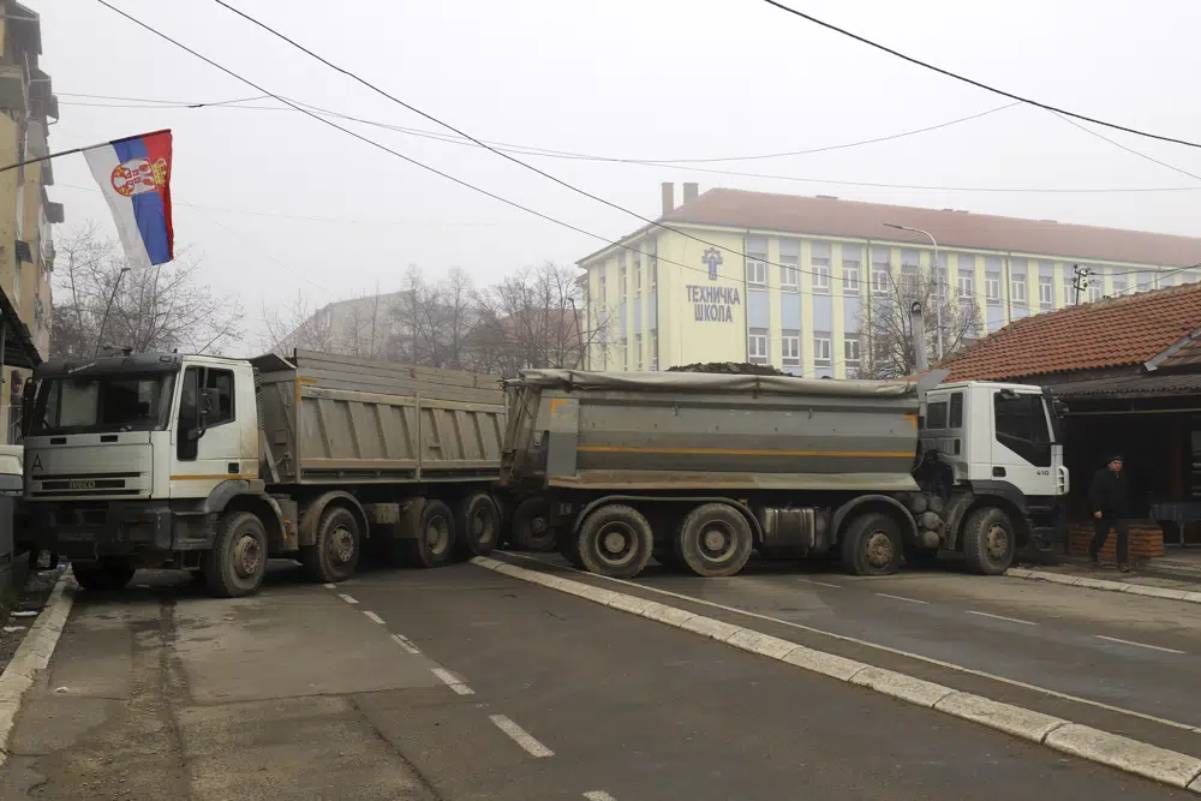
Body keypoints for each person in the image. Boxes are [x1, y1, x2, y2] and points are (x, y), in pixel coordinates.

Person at [1088, 454, 1130, 571]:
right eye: (1115, 463)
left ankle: (1122, 562)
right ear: (1109, 464)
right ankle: (1093, 553)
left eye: (1120, 463)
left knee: (1123, 533)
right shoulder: (1100, 475)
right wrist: (1096, 509)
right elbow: (1094, 493)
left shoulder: (1122, 476)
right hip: (1104, 512)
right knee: (1101, 535)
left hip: (1120, 513)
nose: (1118, 466)